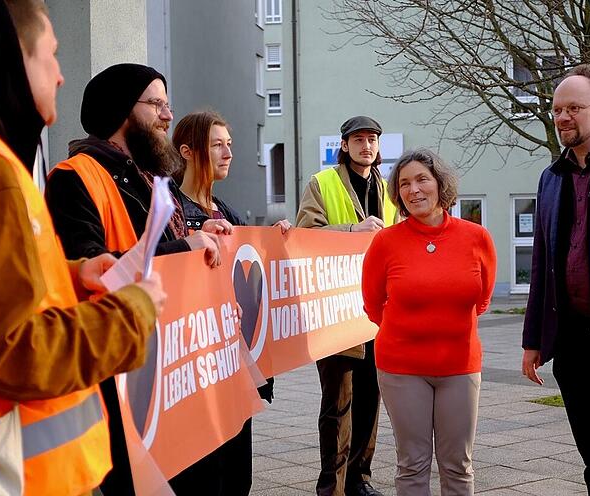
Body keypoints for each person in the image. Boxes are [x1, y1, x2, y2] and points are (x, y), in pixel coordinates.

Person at [0, 1, 166, 494]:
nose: (62, 76)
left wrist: (73, 273)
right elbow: (9, 350)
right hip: (30, 475)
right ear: (12, 60)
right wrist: (132, 313)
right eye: (51, 54)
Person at [44, 64, 222, 494]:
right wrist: (185, 250)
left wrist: (202, 236)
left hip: (169, 370)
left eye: (167, 104)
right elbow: (89, 270)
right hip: (121, 383)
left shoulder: (151, 180)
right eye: (157, 104)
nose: (167, 115)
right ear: (124, 111)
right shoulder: (75, 177)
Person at [520, 64, 590, 494]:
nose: (563, 117)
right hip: (573, 342)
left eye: (573, 108)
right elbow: (544, 262)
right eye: (556, 109)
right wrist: (534, 340)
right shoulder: (551, 177)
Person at [362, 148, 496, 495]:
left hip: (459, 366)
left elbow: (482, 300)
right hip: (402, 368)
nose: (413, 189)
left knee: (458, 465)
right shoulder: (385, 242)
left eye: (422, 179)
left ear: (440, 184)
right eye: (404, 183)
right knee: (412, 464)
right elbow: (373, 305)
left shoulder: (476, 237)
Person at [171, 109, 290, 495]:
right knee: (203, 479)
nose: (228, 153)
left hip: (234, 367)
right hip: (196, 369)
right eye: (217, 145)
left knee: (238, 479)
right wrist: (191, 236)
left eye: (230, 145)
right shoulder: (169, 212)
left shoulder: (230, 212)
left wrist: (273, 243)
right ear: (188, 152)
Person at [296, 115, 397, 496]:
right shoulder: (322, 184)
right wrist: (352, 230)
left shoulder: (389, 190)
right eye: (358, 139)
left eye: (372, 139)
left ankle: (360, 480)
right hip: (337, 310)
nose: (365, 145)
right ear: (344, 145)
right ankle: (332, 487)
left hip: (379, 314)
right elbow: (305, 235)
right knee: (338, 404)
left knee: (370, 400)